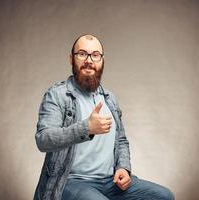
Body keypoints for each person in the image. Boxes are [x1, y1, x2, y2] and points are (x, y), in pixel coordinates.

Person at [34, 34, 174, 200]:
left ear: (102, 61)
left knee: (164, 196)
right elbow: (43, 140)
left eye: (95, 55)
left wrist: (123, 168)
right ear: (71, 59)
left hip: (109, 182)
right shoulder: (57, 95)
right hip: (70, 181)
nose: (89, 60)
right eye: (82, 54)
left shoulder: (109, 98)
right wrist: (87, 128)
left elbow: (121, 140)